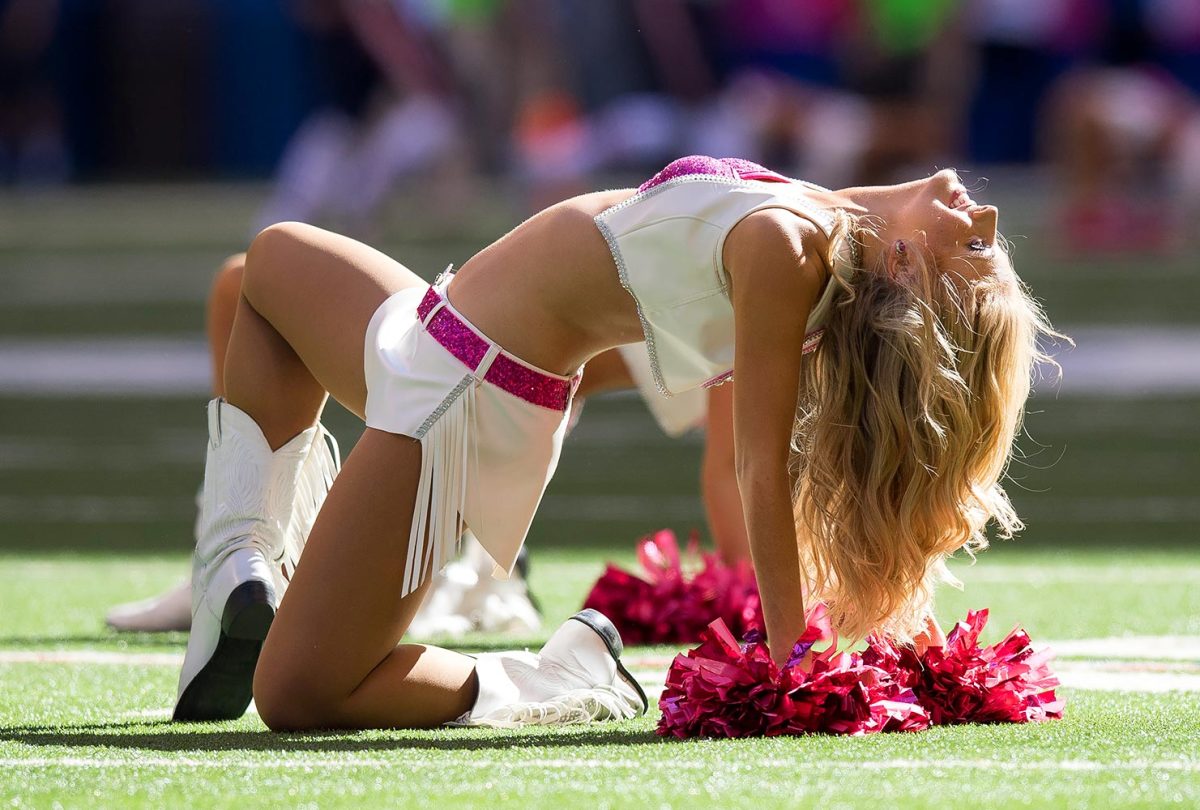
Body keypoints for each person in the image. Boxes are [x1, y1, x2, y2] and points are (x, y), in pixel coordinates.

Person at [173, 154, 1053, 730]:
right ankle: (237, 563)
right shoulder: (819, 216)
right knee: (270, 267)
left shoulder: (793, 251)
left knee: (296, 694)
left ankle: (558, 681)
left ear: (911, 274)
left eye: (976, 248)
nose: (986, 213)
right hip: (435, 327)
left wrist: (794, 666)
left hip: (460, 402)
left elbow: (758, 467)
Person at [105, 258, 745, 635]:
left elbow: (736, 470)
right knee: (240, 283)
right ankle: (234, 549)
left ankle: (238, 550)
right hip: (480, 331)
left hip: (482, 353)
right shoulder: (751, 271)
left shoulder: (751, 287)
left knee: (245, 282)